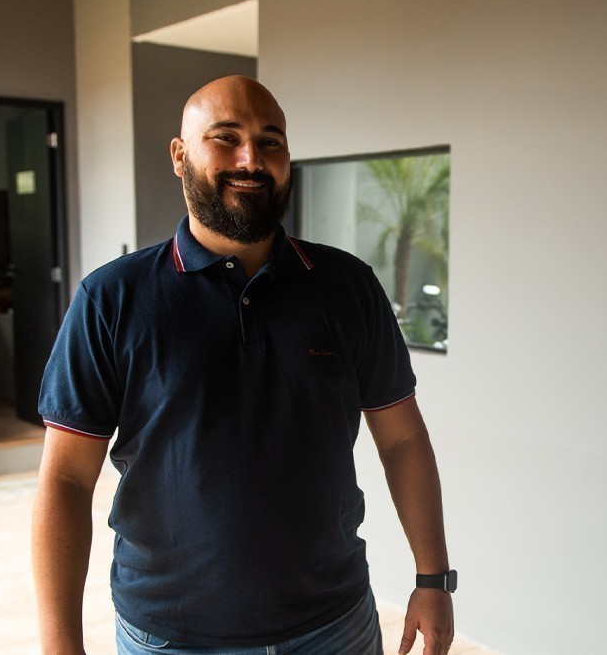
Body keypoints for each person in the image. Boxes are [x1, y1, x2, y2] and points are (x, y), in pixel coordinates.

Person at [32, 75, 455, 654]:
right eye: (225, 138)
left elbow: (403, 439)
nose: (251, 159)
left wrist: (433, 578)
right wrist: (60, 647)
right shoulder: (113, 300)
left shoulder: (346, 286)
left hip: (335, 627)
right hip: (171, 637)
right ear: (180, 156)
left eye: (271, 140)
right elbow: (65, 479)